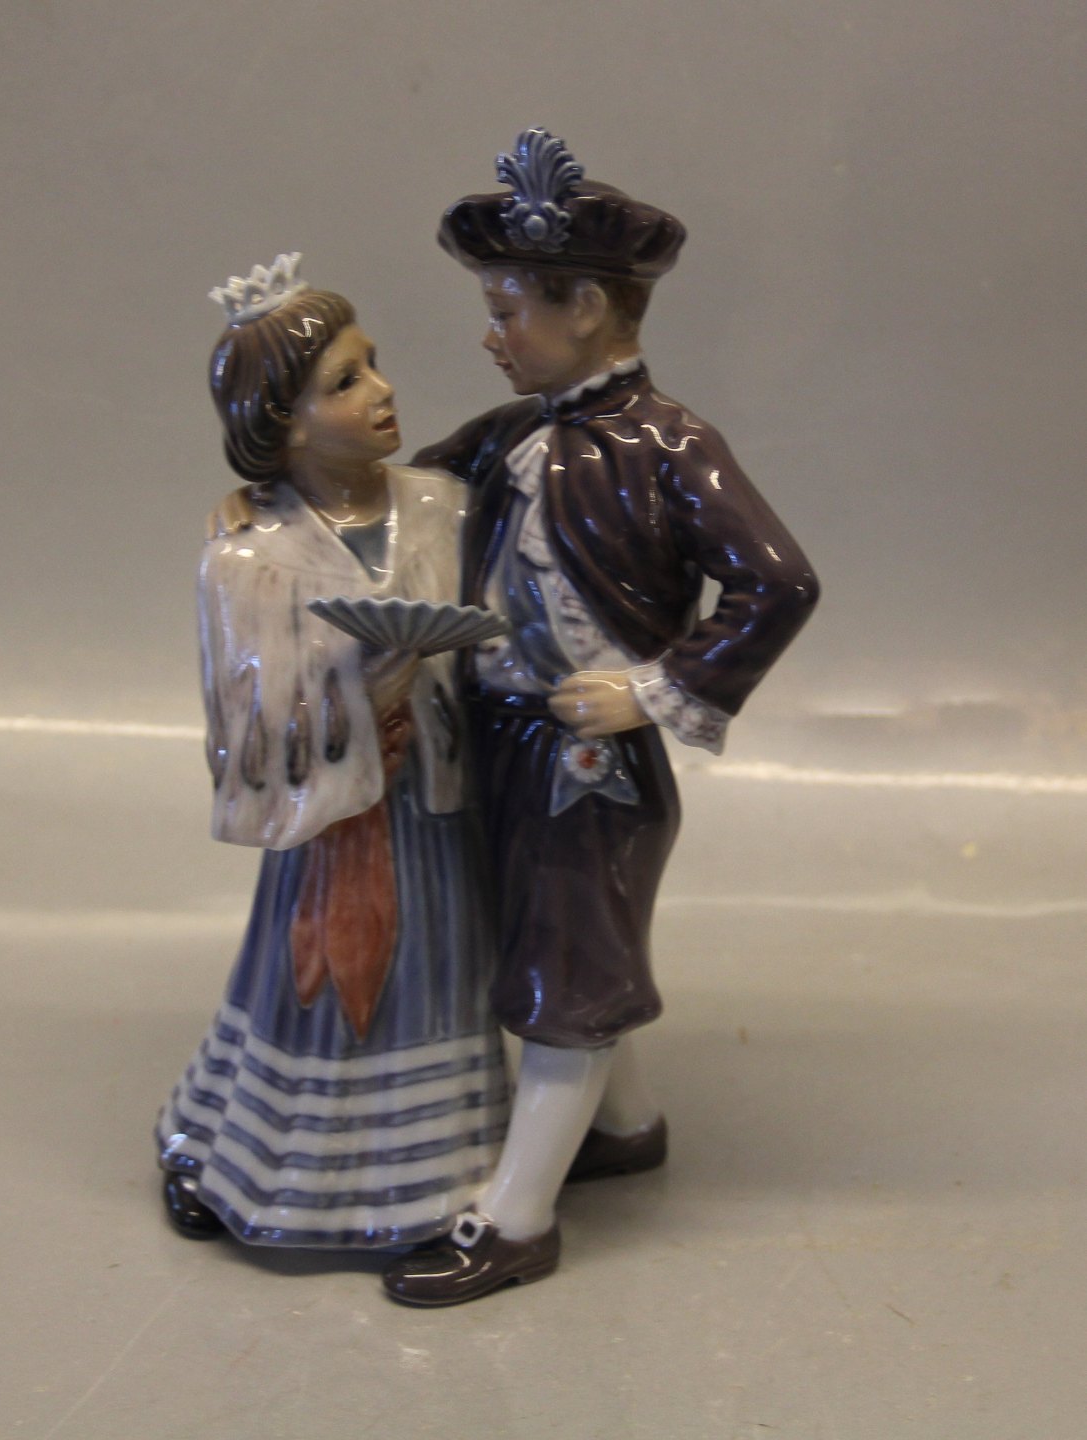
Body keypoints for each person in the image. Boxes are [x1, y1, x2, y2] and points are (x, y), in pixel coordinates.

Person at [379, 130, 820, 1304]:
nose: (490, 334)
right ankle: (622, 1127)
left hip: (588, 765)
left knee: (564, 977)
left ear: (584, 309)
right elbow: (402, 497)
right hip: (500, 741)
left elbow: (778, 582)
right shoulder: (503, 437)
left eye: (506, 309)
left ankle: (515, 1218)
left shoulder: (673, 446)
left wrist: (651, 687)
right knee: (551, 950)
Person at [155, 254, 508, 1249]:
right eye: (346, 381)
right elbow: (247, 725)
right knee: (303, 990)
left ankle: (441, 1168)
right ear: (285, 426)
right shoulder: (249, 556)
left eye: (374, 364)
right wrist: (360, 698)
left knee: (438, 977)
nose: (383, 390)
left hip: (433, 817)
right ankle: (281, 1163)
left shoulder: (444, 506)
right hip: (330, 834)